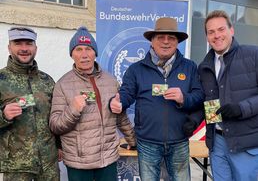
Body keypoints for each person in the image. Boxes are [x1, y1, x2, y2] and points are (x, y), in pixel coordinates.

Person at [110, 17, 205, 181]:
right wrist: (119, 102)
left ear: (177, 42)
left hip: (179, 141)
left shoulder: (189, 67)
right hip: (147, 144)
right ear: (152, 41)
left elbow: (199, 96)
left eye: (171, 38)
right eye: (161, 37)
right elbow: (126, 93)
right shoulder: (136, 69)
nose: (166, 42)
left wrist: (184, 98)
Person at [49, 26, 136, 181]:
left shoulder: (111, 81)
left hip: (107, 158)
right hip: (79, 162)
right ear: (72, 55)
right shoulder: (62, 85)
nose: (84, 55)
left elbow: (120, 116)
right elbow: (55, 125)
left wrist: (133, 141)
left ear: (95, 52)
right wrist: (73, 110)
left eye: (88, 49)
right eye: (78, 49)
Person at [198, 10, 258, 180]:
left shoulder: (253, 55)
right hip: (217, 144)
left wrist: (241, 109)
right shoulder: (204, 67)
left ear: (232, 30)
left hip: (246, 144)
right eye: (211, 32)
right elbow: (206, 102)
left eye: (221, 29)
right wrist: (193, 119)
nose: (217, 35)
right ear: (207, 37)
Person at [0, 27, 59, 180]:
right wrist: (3, 115)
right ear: (9, 47)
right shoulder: (1, 79)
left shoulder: (47, 81)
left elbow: (56, 116)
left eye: (28, 43)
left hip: (48, 163)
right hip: (16, 165)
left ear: (35, 48)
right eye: (18, 43)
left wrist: (60, 146)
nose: (24, 48)